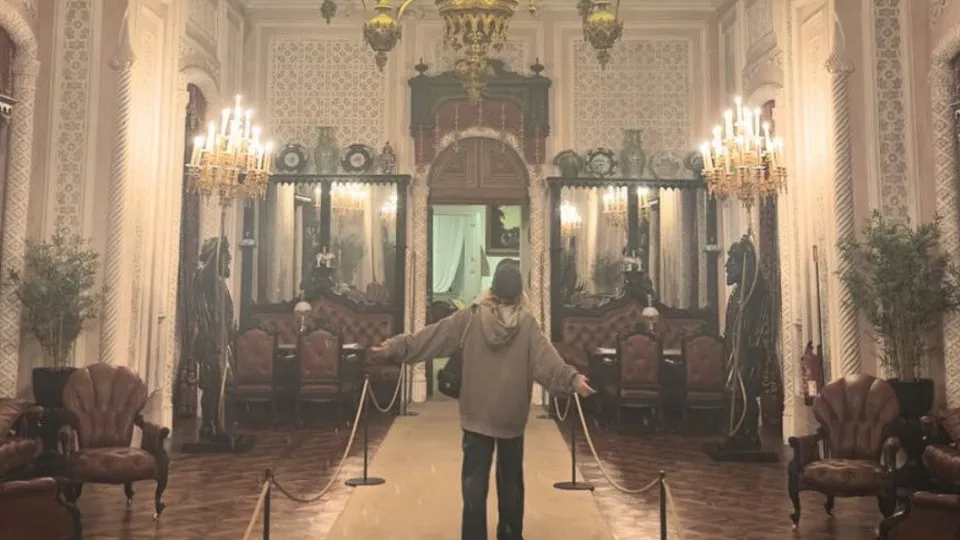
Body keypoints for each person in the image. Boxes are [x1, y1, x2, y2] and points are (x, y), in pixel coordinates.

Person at [369, 263, 595, 540]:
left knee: (474, 484)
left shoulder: (471, 318)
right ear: (520, 292)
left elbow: (432, 337)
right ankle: (510, 535)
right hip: (511, 415)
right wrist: (572, 379)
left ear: (493, 289)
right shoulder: (527, 325)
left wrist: (395, 346)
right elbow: (548, 362)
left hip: (476, 413)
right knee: (511, 482)